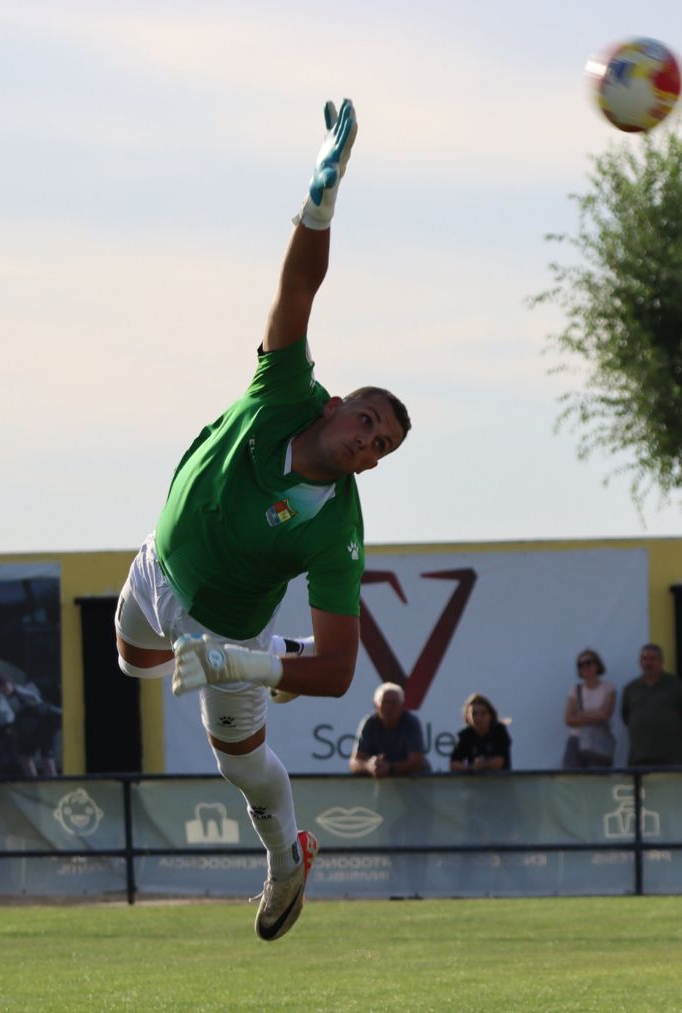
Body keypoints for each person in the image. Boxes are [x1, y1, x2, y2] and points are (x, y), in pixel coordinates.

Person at [111, 98, 406, 943]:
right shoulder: (286, 390)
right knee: (131, 656)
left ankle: (286, 860)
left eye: (380, 446)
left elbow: (344, 669)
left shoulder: (334, 527)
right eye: (368, 421)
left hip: (221, 628)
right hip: (154, 566)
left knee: (243, 770)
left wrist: (240, 660)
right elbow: (298, 285)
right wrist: (322, 191)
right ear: (341, 401)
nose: (368, 443)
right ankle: (254, 658)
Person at [620, 644, 682, 767]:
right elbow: (626, 718)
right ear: (640, 662)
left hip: (671, 756)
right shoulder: (630, 689)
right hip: (639, 757)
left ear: (661, 661)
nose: (648, 663)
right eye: (645, 659)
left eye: (653, 659)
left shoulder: (676, 685)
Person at [351, 683, 428, 778]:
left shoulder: (411, 722)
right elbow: (354, 763)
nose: (389, 707)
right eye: (384, 702)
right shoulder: (369, 723)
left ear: (402, 705)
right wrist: (369, 766)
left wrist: (390, 768)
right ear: (376, 705)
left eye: (394, 702)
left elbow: (416, 761)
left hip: (413, 784)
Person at [563, 648, 617, 769]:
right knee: (571, 782)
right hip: (576, 741)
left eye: (588, 663)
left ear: (597, 665)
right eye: (581, 665)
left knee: (598, 782)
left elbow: (605, 714)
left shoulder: (608, 688)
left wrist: (581, 714)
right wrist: (596, 715)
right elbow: (568, 720)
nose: (585, 667)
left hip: (599, 741)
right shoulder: (575, 690)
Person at [449, 693, 511, 772]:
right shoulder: (466, 735)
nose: (479, 718)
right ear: (467, 716)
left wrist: (483, 764)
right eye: (474, 714)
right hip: (475, 783)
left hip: (499, 782)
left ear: (491, 715)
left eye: (483, 713)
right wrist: (471, 767)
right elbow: (453, 764)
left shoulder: (499, 731)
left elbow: (499, 763)